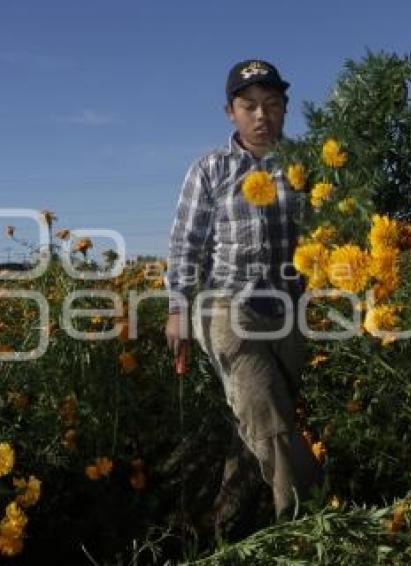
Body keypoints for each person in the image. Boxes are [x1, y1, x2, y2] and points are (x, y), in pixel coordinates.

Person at [164, 59, 323, 541]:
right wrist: (176, 309)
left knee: (258, 419)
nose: (261, 116)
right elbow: (185, 242)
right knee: (264, 409)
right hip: (226, 304)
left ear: (285, 110)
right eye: (249, 106)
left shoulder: (302, 167)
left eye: (272, 105)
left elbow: (323, 235)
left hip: (290, 308)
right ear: (230, 111)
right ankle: (310, 524)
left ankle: (225, 528)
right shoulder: (210, 169)